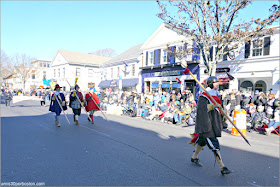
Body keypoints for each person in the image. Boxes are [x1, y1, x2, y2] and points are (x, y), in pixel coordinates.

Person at [191, 76, 231, 175]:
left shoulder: (216, 94)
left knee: (201, 142)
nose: (217, 84)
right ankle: (222, 167)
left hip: (214, 122)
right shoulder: (204, 95)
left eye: (218, 82)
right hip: (207, 124)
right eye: (215, 82)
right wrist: (214, 106)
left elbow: (219, 109)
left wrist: (223, 111)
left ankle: (194, 157)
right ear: (210, 83)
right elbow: (202, 110)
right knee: (214, 144)